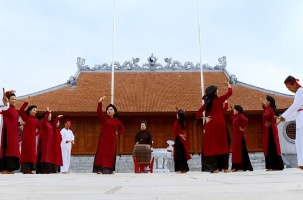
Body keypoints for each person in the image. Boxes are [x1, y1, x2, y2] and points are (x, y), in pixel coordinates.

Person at [196, 82, 232, 173]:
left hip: (210, 125)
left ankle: (214, 168)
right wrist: (229, 85)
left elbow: (198, 113)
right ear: (215, 92)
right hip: (220, 125)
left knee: (212, 146)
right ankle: (225, 168)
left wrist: (205, 117)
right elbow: (230, 93)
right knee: (223, 145)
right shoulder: (219, 100)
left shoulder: (207, 103)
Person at [93, 96, 125, 174]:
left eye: (111, 109)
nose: (109, 111)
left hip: (112, 140)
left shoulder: (116, 121)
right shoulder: (104, 119)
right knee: (101, 153)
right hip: (103, 139)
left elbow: (123, 128)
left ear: (114, 112)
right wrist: (100, 102)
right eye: (108, 109)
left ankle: (108, 169)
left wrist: (118, 133)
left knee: (110, 154)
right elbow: (99, 112)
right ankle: (100, 169)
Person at [280, 76, 303, 169]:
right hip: (299, 121)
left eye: (289, 87)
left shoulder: (301, 90)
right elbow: (296, 111)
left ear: (294, 84)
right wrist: (285, 119)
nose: (289, 90)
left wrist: (284, 115)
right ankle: (301, 164)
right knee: (299, 144)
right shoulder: (298, 93)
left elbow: (296, 106)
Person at [0, 89, 22, 174]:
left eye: (15, 99)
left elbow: (14, 121)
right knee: (7, 148)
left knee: (13, 150)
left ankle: (9, 169)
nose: (14, 101)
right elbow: (4, 102)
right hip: (7, 132)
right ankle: (3, 169)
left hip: (14, 133)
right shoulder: (6, 107)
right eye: (12, 99)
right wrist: (6, 93)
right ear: (8, 100)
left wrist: (19, 123)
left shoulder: (15, 110)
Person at [260, 95, 284, 171]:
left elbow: (265, 115)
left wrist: (266, 121)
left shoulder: (269, 109)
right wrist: (264, 105)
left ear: (269, 102)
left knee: (270, 146)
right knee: (274, 146)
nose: (264, 101)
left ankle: (271, 166)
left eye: (265, 100)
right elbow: (268, 112)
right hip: (273, 129)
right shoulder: (272, 109)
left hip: (270, 130)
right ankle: (277, 166)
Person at [19, 96, 40, 174]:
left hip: (32, 140)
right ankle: (25, 170)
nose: (35, 111)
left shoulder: (36, 121)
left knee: (32, 154)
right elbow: (21, 111)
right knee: (26, 153)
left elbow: (41, 128)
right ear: (29, 111)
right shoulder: (26, 118)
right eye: (34, 110)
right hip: (26, 139)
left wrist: (36, 134)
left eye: (36, 111)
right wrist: (26, 102)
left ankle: (30, 169)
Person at [230, 105, 253, 172]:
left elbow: (245, 120)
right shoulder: (235, 117)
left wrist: (241, 126)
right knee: (236, 152)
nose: (234, 111)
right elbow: (231, 118)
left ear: (237, 110)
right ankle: (236, 167)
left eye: (234, 110)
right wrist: (231, 111)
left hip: (240, 136)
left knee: (240, 152)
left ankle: (242, 167)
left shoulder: (240, 115)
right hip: (236, 137)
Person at [173, 109, 191, 173]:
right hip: (183, 139)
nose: (176, 115)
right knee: (183, 154)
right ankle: (184, 168)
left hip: (179, 139)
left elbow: (174, 131)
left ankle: (181, 168)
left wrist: (180, 134)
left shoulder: (176, 122)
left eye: (177, 114)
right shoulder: (184, 122)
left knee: (179, 154)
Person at [36, 108, 53, 174]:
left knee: (48, 154)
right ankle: (43, 169)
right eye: (49, 115)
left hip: (49, 141)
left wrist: (57, 118)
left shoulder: (49, 123)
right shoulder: (43, 122)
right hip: (44, 140)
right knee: (44, 154)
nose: (50, 117)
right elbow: (43, 121)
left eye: (51, 116)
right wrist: (48, 112)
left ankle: (47, 169)